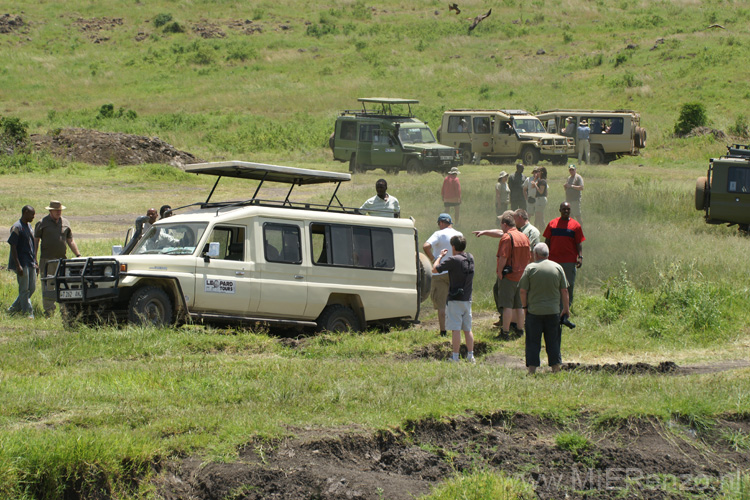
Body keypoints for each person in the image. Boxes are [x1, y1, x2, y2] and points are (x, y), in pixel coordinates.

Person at [474, 211, 530, 339]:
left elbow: (503, 257)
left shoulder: (507, 237)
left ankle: (505, 332)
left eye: (501, 225)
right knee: (519, 305)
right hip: (521, 276)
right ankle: (520, 331)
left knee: (507, 306)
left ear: (505, 224)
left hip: (509, 277)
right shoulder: (523, 236)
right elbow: (528, 256)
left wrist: (499, 272)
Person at [519, 242, 569, 375]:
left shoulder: (530, 268)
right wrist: (566, 308)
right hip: (553, 312)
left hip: (534, 312)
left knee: (532, 341)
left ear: (535, 254)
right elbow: (564, 290)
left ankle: (532, 370)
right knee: (553, 341)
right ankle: (556, 368)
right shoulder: (557, 267)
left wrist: (524, 307)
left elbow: (523, 291)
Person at [34, 200, 81, 317]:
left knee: (62, 285)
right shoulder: (42, 223)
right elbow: (36, 241)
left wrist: (78, 255)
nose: (59, 212)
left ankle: (64, 310)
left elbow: (70, 240)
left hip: (62, 261)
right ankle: (49, 311)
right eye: (56, 210)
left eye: (60, 210)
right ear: (50, 211)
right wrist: (34, 258)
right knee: (48, 285)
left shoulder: (66, 223)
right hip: (47, 261)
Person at [432, 234, 475, 363]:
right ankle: (470, 356)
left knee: (456, 329)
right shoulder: (470, 257)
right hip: (467, 299)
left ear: (453, 246)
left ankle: (455, 357)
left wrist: (440, 256)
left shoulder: (453, 259)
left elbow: (435, 269)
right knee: (467, 329)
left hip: (455, 300)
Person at [423, 213, 463, 337]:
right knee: (455, 302)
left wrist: (433, 259)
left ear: (441, 223)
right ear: (450, 223)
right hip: (455, 273)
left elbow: (426, 246)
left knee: (441, 304)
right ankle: (456, 329)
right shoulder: (459, 234)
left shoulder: (438, 234)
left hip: (440, 272)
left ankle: (443, 332)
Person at [543, 202, 585, 308]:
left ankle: (567, 308)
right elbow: (547, 241)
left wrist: (580, 257)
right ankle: (554, 306)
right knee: (552, 284)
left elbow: (578, 243)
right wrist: (543, 256)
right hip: (553, 260)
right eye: (564, 209)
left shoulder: (576, 225)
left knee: (568, 285)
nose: (566, 211)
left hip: (569, 261)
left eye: (568, 209)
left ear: (570, 211)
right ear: (560, 210)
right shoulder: (552, 223)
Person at [7, 205, 37, 319]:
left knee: (32, 288)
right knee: (24, 289)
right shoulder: (17, 227)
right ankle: (28, 313)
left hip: (30, 261)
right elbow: (13, 247)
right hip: (22, 262)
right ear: (25, 212)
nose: (33, 217)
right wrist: (17, 265)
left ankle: (13, 309)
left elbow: (32, 245)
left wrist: (35, 261)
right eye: (31, 214)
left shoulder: (29, 226)